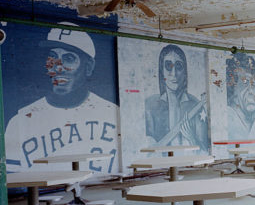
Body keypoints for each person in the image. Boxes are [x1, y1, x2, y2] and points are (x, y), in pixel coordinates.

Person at [5, 22, 119, 172]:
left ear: (89, 66)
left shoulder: (112, 113)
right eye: (52, 58)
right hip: (41, 193)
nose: (58, 67)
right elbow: (10, 177)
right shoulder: (20, 120)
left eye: (69, 59)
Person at [145, 44, 209, 151]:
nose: (173, 73)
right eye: (168, 66)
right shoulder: (150, 106)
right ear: (162, 71)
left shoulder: (195, 105)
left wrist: (192, 138)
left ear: (185, 72)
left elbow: (205, 150)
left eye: (179, 66)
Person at [226, 53, 255, 140]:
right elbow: (252, 147)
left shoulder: (249, 117)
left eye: (253, 84)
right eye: (245, 82)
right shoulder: (229, 116)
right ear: (232, 87)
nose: (251, 91)